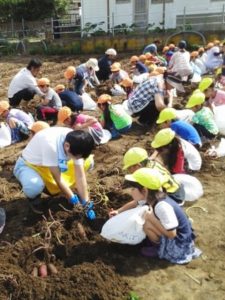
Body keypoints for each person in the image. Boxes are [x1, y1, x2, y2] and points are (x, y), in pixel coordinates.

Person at [109, 168, 201, 264]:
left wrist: (151, 218)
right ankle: (156, 241)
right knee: (145, 217)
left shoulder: (162, 206)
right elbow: (135, 203)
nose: (131, 191)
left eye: (133, 189)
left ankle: (158, 249)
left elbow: (172, 234)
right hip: (177, 235)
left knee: (145, 223)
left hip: (180, 245)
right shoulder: (154, 195)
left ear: (144, 191)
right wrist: (118, 211)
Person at [13, 127, 96, 219]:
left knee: (88, 162)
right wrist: (72, 199)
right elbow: (58, 178)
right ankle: (33, 198)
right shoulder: (51, 145)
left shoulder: (77, 141)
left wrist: (86, 202)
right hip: (32, 165)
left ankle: (65, 189)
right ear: (67, 146)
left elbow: (80, 176)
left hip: (53, 164)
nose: (77, 159)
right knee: (34, 186)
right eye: (76, 157)